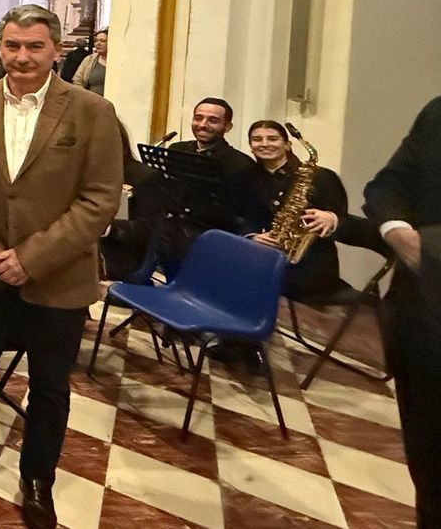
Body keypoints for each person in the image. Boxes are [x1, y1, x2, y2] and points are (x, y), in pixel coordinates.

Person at [0, 4, 122, 529]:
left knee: (50, 384)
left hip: (59, 275)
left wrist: (31, 258)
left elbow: (99, 199)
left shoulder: (92, 111)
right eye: (13, 45)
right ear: (0, 48)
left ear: (56, 49)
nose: (22, 57)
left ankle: (38, 476)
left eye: (35, 46)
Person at [363, 96, 441, 525]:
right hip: (424, 319)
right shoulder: (437, 112)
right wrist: (397, 230)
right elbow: (387, 185)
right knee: (429, 464)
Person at [243, 120, 350, 301]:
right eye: (257, 139)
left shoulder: (321, 177)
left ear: (287, 144)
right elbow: (246, 217)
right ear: (251, 146)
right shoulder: (249, 178)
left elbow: (342, 220)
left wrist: (327, 221)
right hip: (266, 258)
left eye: (273, 139)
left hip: (311, 264)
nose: (264, 144)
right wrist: (252, 236)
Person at [162, 98, 271, 267]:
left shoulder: (241, 163)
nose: (203, 125)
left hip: (214, 243)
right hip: (172, 235)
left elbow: (252, 213)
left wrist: (249, 237)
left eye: (213, 120)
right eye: (198, 118)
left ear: (227, 127)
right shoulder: (177, 149)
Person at [70, 29, 108, 95]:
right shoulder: (89, 59)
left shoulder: (119, 62)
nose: (98, 44)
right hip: (91, 99)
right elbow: (78, 81)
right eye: (96, 41)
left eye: (102, 41)